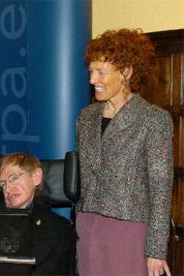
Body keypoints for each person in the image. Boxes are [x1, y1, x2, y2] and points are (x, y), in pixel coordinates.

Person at [76, 28, 174, 276]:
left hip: (130, 230)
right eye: (91, 71)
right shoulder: (86, 117)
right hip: (88, 226)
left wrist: (156, 250)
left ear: (126, 72)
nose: (92, 80)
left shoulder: (153, 120)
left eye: (101, 72)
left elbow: (161, 191)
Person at [0, 152, 77, 275]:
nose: (8, 189)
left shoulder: (60, 228)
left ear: (36, 177)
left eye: (14, 178)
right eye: (3, 184)